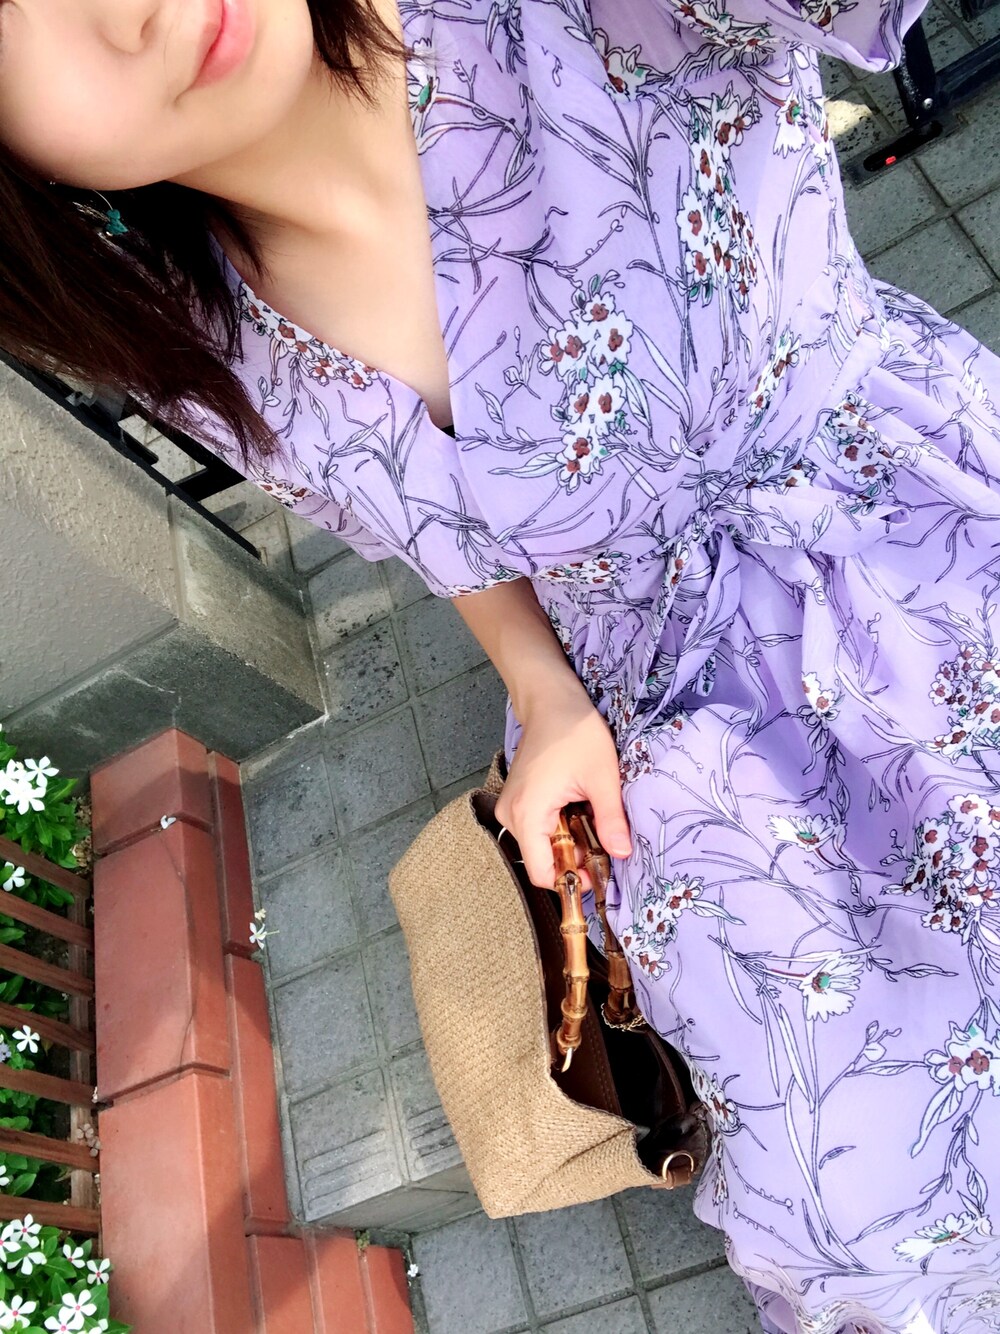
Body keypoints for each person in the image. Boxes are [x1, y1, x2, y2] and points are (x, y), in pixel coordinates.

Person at [2, 0, 1000, 1329]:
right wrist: (541, 688)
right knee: (864, 1208)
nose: (123, 8)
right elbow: (429, 532)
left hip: (930, 574)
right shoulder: (198, 341)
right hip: (689, 771)